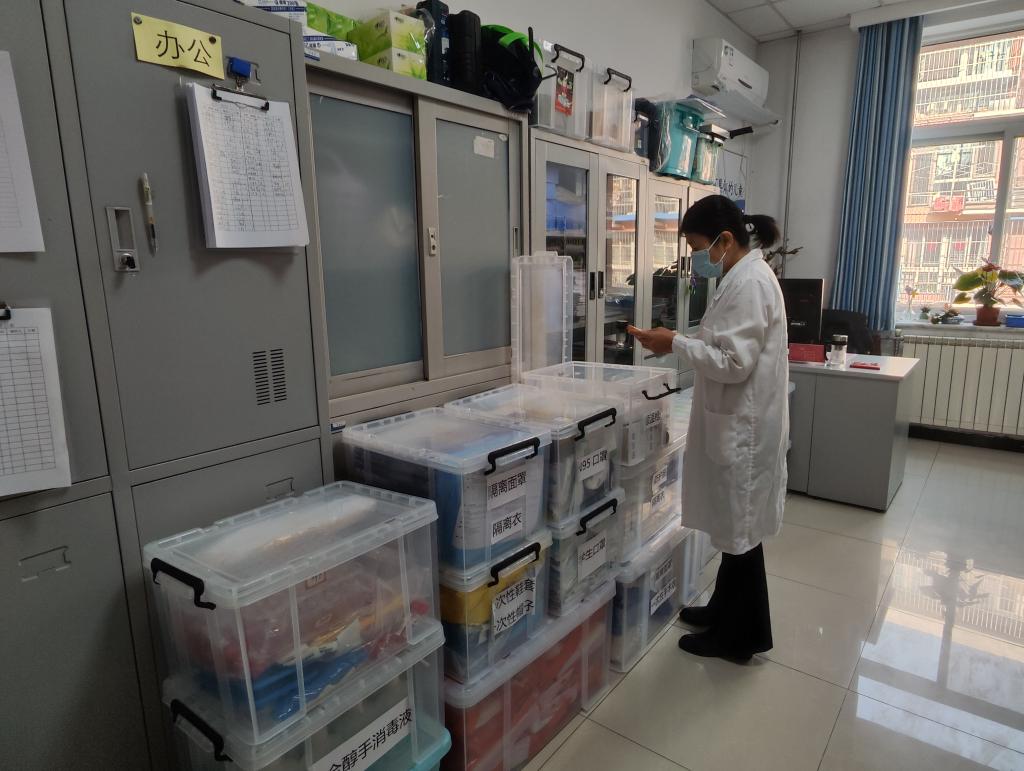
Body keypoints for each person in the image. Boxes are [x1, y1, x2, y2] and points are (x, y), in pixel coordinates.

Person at [628, 195, 789, 663]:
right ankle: (723, 611)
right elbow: (719, 339)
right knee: (734, 530)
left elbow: (734, 362)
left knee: (740, 533)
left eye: (699, 248)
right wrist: (672, 342)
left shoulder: (751, 282)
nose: (697, 259)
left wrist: (677, 342)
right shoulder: (739, 276)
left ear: (725, 240)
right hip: (736, 420)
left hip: (744, 428)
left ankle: (739, 638)